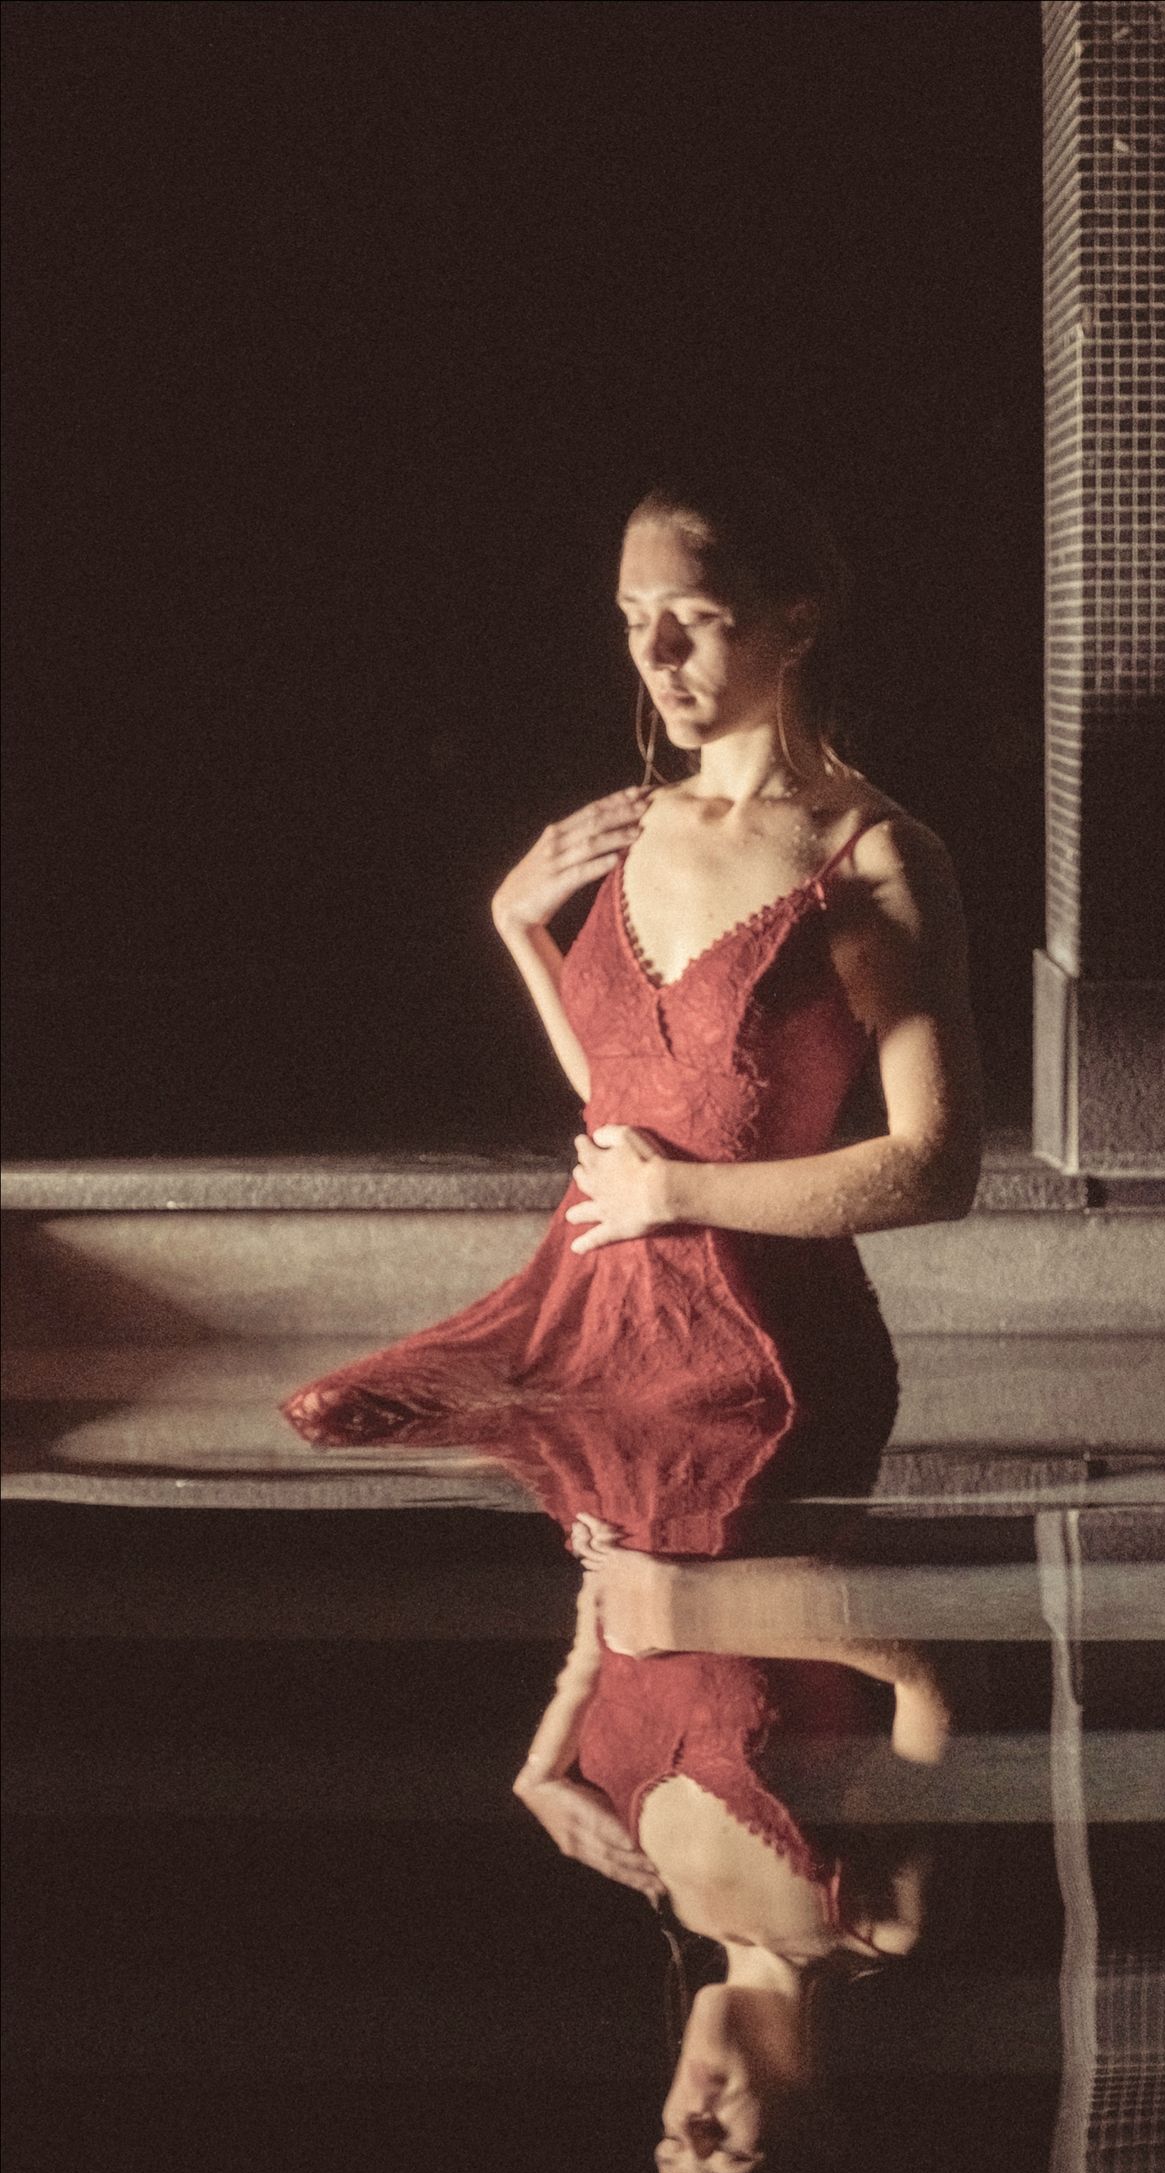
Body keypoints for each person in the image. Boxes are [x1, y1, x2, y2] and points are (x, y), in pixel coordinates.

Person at [280, 463, 982, 1474]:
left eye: (693, 616)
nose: (655, 654)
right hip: (597, 1322)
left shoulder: (876, 857)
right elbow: (630, 1087)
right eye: (631, 617)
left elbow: (936, 1170)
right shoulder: (634, 822)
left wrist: (675, 1200)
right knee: (336, 1412)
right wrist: (518, 927)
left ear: (798, 620)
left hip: (760, 1359)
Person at [514, 1521, 953, 2173]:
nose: (694, 2124)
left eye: (670, 2143)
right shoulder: (877, 1918)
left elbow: (612, 1641)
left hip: (606, 1500)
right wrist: (690, 1606)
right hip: (757, 1478)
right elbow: (931, 1662)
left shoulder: (659, 1887)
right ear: (818, 2127)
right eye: (733, 2155)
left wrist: (539, 1773)